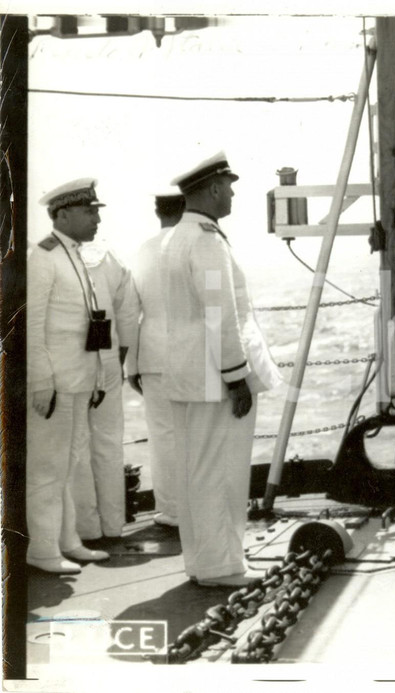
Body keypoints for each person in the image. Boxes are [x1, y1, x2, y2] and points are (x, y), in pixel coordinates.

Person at [162, 152, 282, 587]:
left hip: (188, 377)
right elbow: (220, 314)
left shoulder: (177, 237)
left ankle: (202, 560)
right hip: (216, 378)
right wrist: (237, 377)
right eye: (228, 185)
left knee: (196, 472)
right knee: (221, 474)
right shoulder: (207, 242)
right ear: (212, 189)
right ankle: (222, 567)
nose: (232, 192)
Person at [26, 178, 113, 573]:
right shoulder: (42, 256)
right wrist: (42, 383)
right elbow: (31, 326)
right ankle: (42, 551)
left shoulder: (75, 254)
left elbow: (84, 324)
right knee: (48, 467)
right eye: (89, 211)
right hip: (55, 383)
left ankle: (68, 541)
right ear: (62, 214)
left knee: (69, 463)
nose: (96, 218)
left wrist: (96, 376)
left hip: (78, 379)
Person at [69, 229, 140, 542]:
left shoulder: (49, 255)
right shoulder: (111, 257)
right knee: (109, 444)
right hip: (108, 357)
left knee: (76, 445)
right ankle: (112, 525)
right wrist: (118, 359)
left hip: (69, 362)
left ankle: (86, 529)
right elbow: (128, 314)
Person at [125, 191, 187, 528]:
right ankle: (199, 506)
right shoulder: (199, 245)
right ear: (186, 209)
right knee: (198, 434)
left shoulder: (143, 251)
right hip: (194, 357)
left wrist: (132, 365)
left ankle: (172, 511)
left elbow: (131, 311)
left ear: (157, 212)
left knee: (163, 437)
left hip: (152, 356)